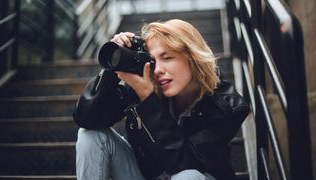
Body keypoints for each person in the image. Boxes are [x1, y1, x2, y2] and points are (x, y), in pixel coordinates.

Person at [73, 19, 250, 180]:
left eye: (167, 58)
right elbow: (87, 118)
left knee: (187, 177)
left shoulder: (227, 106)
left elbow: (185, 162)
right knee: (90, 135)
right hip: (144, 175)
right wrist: (113, 66)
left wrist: (148, 101)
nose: (157, 70)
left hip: (195, 176)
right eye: (153, 61)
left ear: (193, 58)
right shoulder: (146, 81)